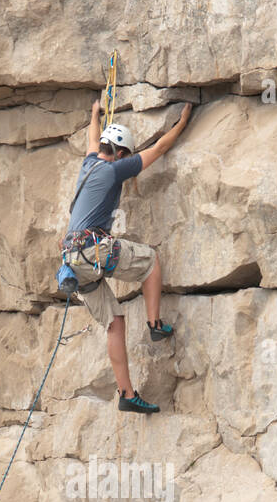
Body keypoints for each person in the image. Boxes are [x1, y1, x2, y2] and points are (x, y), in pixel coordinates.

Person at [61, 100, 193, 413]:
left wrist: (94, 113)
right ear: (121, 154)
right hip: (93, 250)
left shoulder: (88, 163)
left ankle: (127, 394)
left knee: (114, 323)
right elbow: (159, 149)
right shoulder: (113, 169)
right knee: (149, 259)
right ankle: (155, 324)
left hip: (71, 261)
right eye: (127, 155)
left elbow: (93, 140)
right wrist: (184, 121)